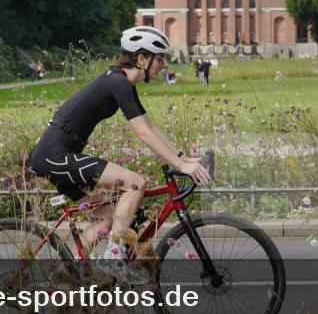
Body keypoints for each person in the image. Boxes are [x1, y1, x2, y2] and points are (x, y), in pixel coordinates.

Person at [29, 26, 211, 283]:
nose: (163, 64)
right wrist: (180, 166)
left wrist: (183, 158)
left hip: (55, 154)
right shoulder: (118, 82)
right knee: (135, 184)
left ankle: (63, 276)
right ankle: (114, 260)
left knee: (106, 217)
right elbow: (144, 135)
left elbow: (150, 127)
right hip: (53, 155)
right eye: (159, 58)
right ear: (142, 59)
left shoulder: (120, 82)